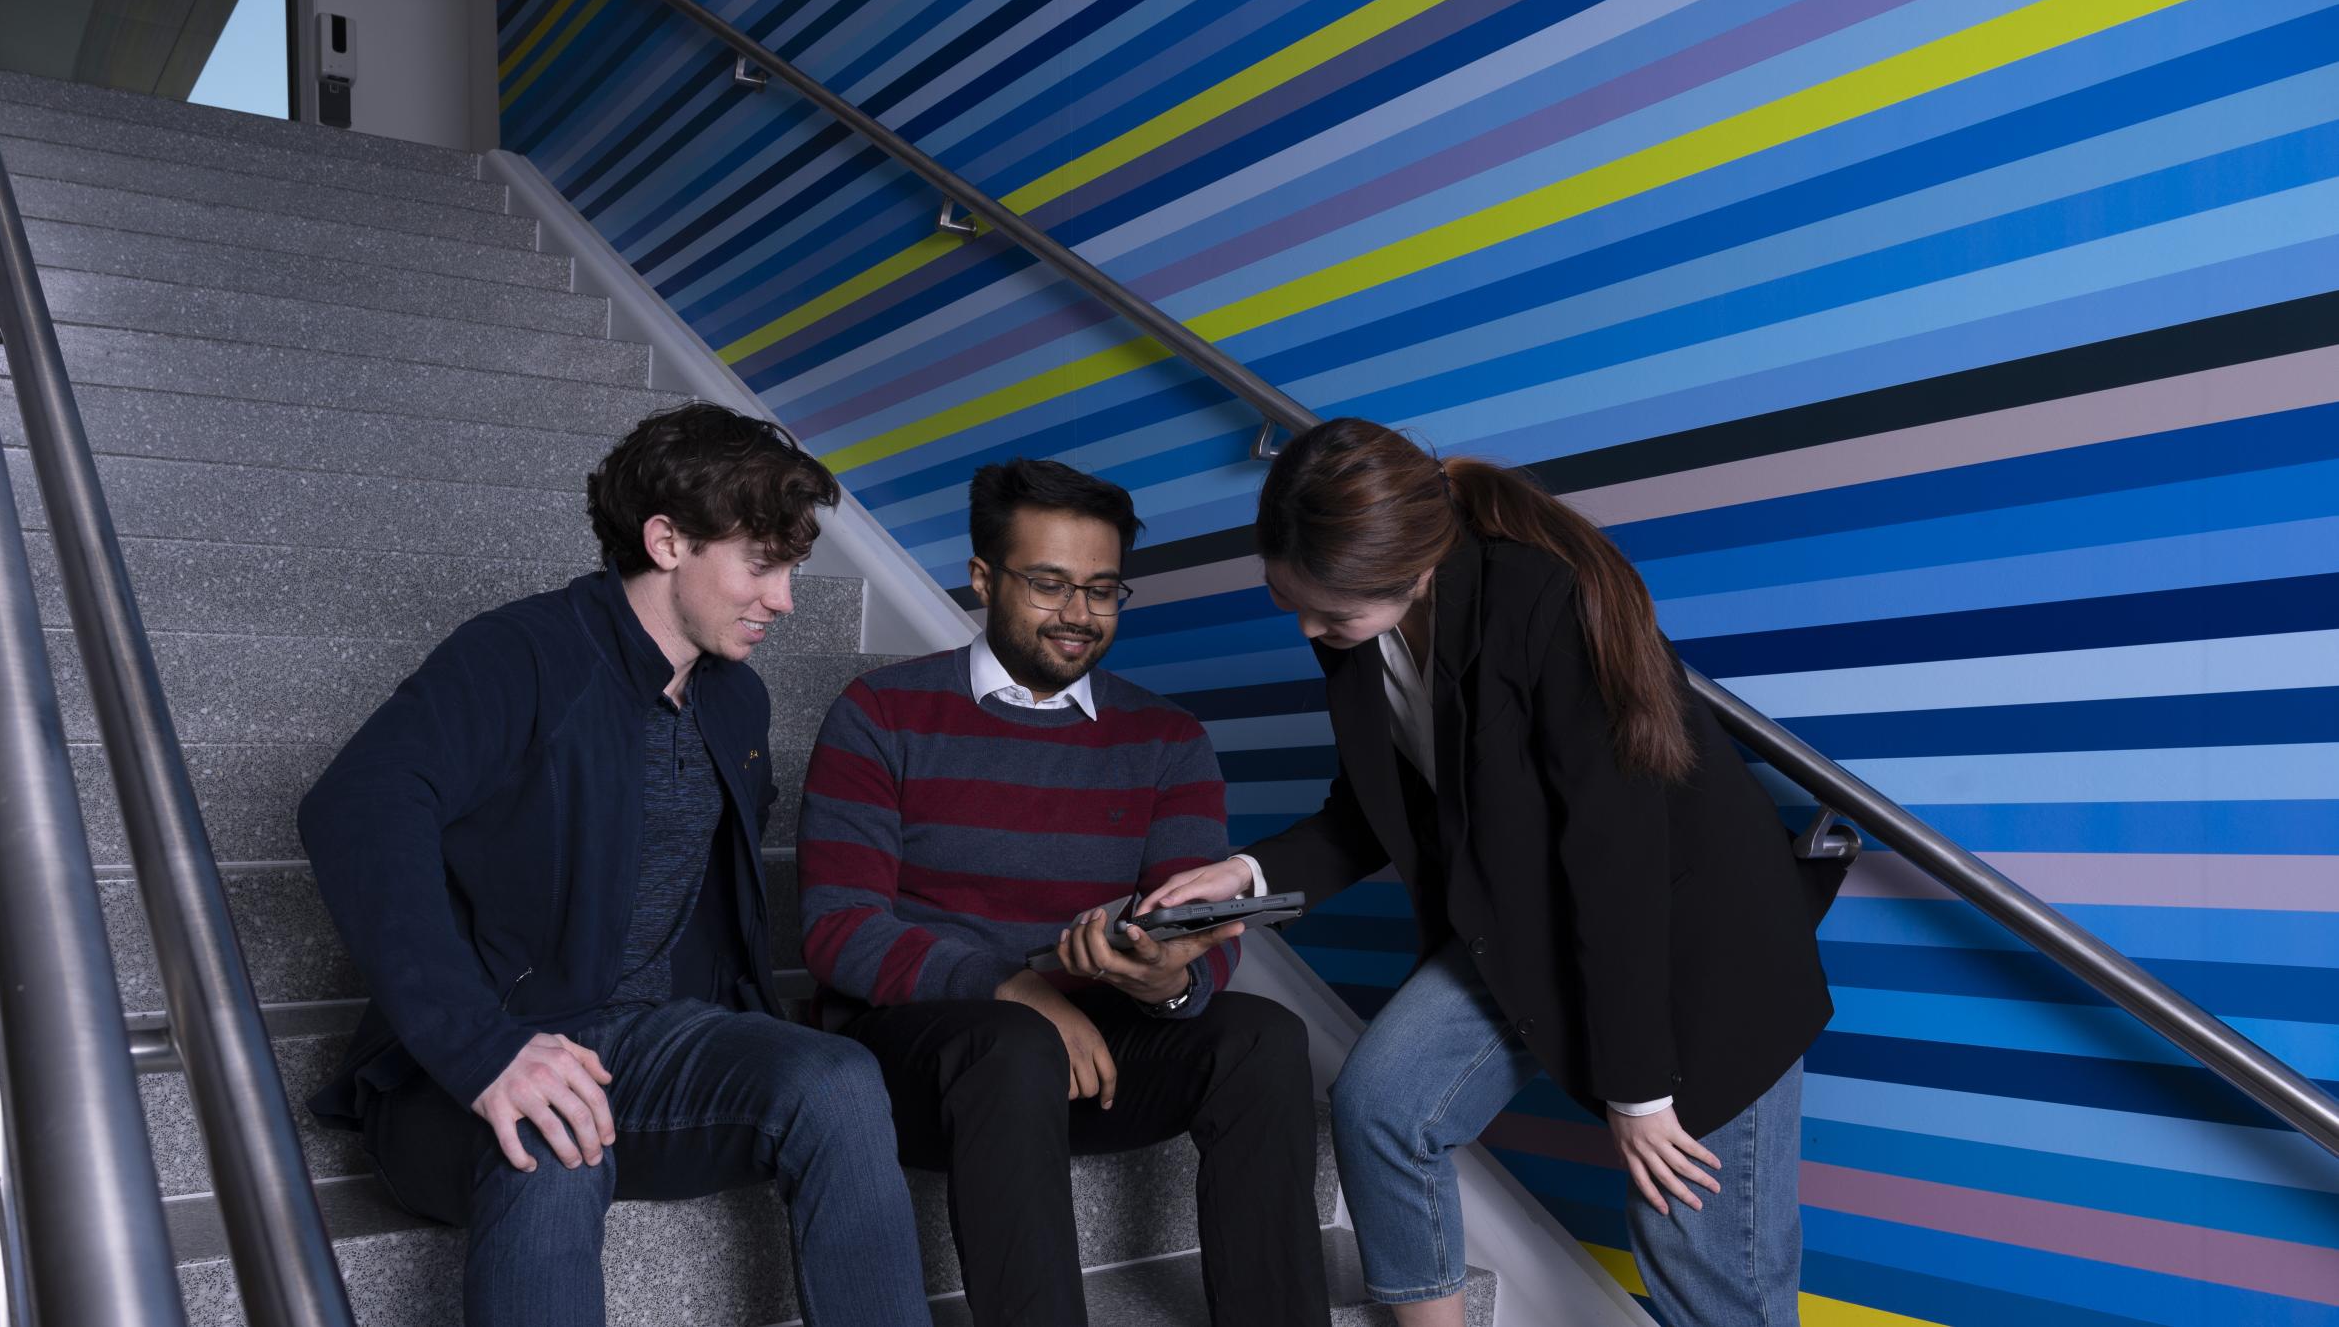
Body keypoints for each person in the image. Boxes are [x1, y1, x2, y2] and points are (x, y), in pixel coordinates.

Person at [1141, 419, 1846, 1327]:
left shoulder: (1540, 603)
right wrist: (1242, 873)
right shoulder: (1364, 627)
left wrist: (1637, 1090)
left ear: (1413, 567)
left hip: (1694, 947)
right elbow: (1373, 809)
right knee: (1381, 1107)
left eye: (1329, 612)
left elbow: (1616, 864)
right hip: (1520, 918)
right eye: (1292, 602)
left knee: (1708, 1271)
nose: (1311, 631)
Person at [297, 403, 931, 1327]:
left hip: (645, 1046)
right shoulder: (516, 654)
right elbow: (354, 808)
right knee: (553, 1141)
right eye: (761, 565)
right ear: (667, 540)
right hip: (466, 1070)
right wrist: (482, 1047)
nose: (784, 600)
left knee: (834, 1080)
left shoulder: (736, 701)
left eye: (791, 568)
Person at [798, 458, 1331, 1327]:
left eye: (1103, 589)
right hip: (931, 1063)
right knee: (1011, 1045)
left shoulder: (1166, 738)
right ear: (981, 578)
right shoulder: (880, 712)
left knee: (1265, 1038)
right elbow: (837, 929)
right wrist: (1017, 990)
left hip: (1099, 1062)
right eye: (1049, 585)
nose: (1079, 614)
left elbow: (1193, 933)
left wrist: (1169, 977)